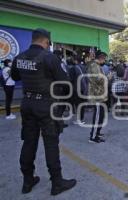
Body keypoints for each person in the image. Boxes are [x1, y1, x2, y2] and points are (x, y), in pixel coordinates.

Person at [11, 28, 76, 195]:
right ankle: (57, 182)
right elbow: (65, 81)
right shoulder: (49, 58)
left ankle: (27, 181)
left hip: (27, 104)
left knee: (29, 142)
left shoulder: (19, 57)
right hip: (46, 106)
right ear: (46, 42)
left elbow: (16, 77)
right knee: (51, 143)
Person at [86, 50, 108, 143]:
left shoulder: (98, 66)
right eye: (105, 59)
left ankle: (97, 132)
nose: (105, 61)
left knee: (101, 116)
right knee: (98, 116)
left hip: (100, 95)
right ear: (101, 58)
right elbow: (98, 79)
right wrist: (107, 78)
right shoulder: (94, 65)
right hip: (97, 96)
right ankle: (93, 137)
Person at [71, 55, 88, 125]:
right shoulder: (84, 67)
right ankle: (81, 118)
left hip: (77, 88)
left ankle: (79, 120)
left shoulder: (74, 68)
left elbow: (71, 79)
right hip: (84, 88)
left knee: (78, 104)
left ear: (75, 60)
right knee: (82, 104)